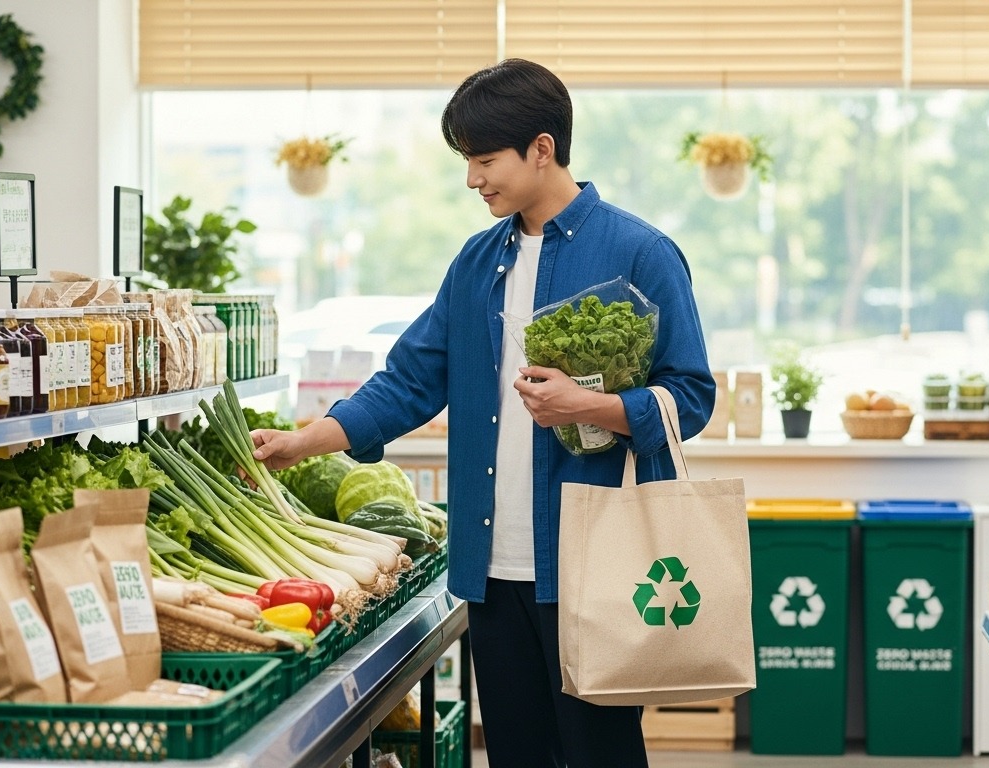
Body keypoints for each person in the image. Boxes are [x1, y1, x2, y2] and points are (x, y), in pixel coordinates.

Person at [250, 58, 715, 768]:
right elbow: (408, 381)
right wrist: (301, 442)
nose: (473, 179)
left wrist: (587, 405)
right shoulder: (476, 263)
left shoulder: (638, 252)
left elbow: (691, 396)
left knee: (600, 755)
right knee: (516, 755)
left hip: (593, 565)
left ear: (541, 148)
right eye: (468, 161)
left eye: (484, 159)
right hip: (491, 572)